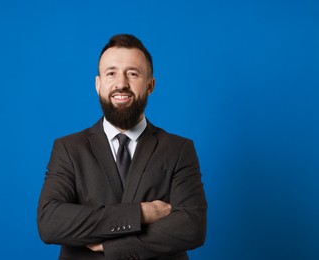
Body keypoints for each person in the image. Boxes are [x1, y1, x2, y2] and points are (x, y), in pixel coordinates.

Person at [37, 34, 207, 260]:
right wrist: (140, 213)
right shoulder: (68, 148)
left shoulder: (179, 149)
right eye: (111, 73)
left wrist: (113, 247)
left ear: (150, 85)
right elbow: (50, 222)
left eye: (133, 73)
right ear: (98, 84)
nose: (121, 84)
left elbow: (191, 227)